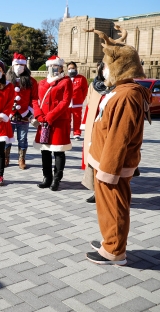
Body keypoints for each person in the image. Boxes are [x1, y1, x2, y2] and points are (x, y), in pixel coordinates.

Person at [83, 26, 150, 265]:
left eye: (107, 64)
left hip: (111, 165)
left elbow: (119, 137)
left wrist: (109, 171)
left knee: (114, 207)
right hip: (104, 160)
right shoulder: (121, 90)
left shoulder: (126, 95)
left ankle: (114, 251)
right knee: (107, 206)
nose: (104, 68)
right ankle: (109, 241)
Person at [33, 56, 73, 191]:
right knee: (45, 150)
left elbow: (65, 101)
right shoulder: (43, 82)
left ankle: (56, 179)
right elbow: (36, 100)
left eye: (56, 66)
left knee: (58, 151)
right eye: (51, 66)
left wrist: (50, 116)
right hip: (44, 121)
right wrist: (39, 115)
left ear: (62, 68)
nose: (53, 69)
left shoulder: (66, 81)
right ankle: (47, 177)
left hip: (59, 121)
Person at [4, 53, 38, 169]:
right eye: (16, 64)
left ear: (25, 66)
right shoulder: (6, 80)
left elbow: (34, 98)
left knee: (23, 138)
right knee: (7, 137)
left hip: (24, 114)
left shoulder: (31, 81)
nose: (19, 66)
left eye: (21, 65)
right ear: (12, 65)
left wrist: (31, 111)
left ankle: (21, 159)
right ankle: (6, 157)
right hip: (9, 114)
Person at [81, 62, 108, 204]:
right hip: (94, 127)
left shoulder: (118, 87)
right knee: (94, 160)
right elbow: (89, 105)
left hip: (108, 129)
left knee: (107, 161)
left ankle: (107, 192)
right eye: (104, 68)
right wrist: (86, 124)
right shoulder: (95, 85)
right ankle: (96, 191)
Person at [67, 61, 88, 140]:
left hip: (77, 103)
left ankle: (77, 133)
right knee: (67, 119)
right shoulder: (65, 79)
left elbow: (85, 90)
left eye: (73, 68)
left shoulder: (81, 78)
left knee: (77, 119)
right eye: (69, 68)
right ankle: (67, 133)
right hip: (67, 103)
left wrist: (81, 100)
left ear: (76, 68)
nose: (71, 70)